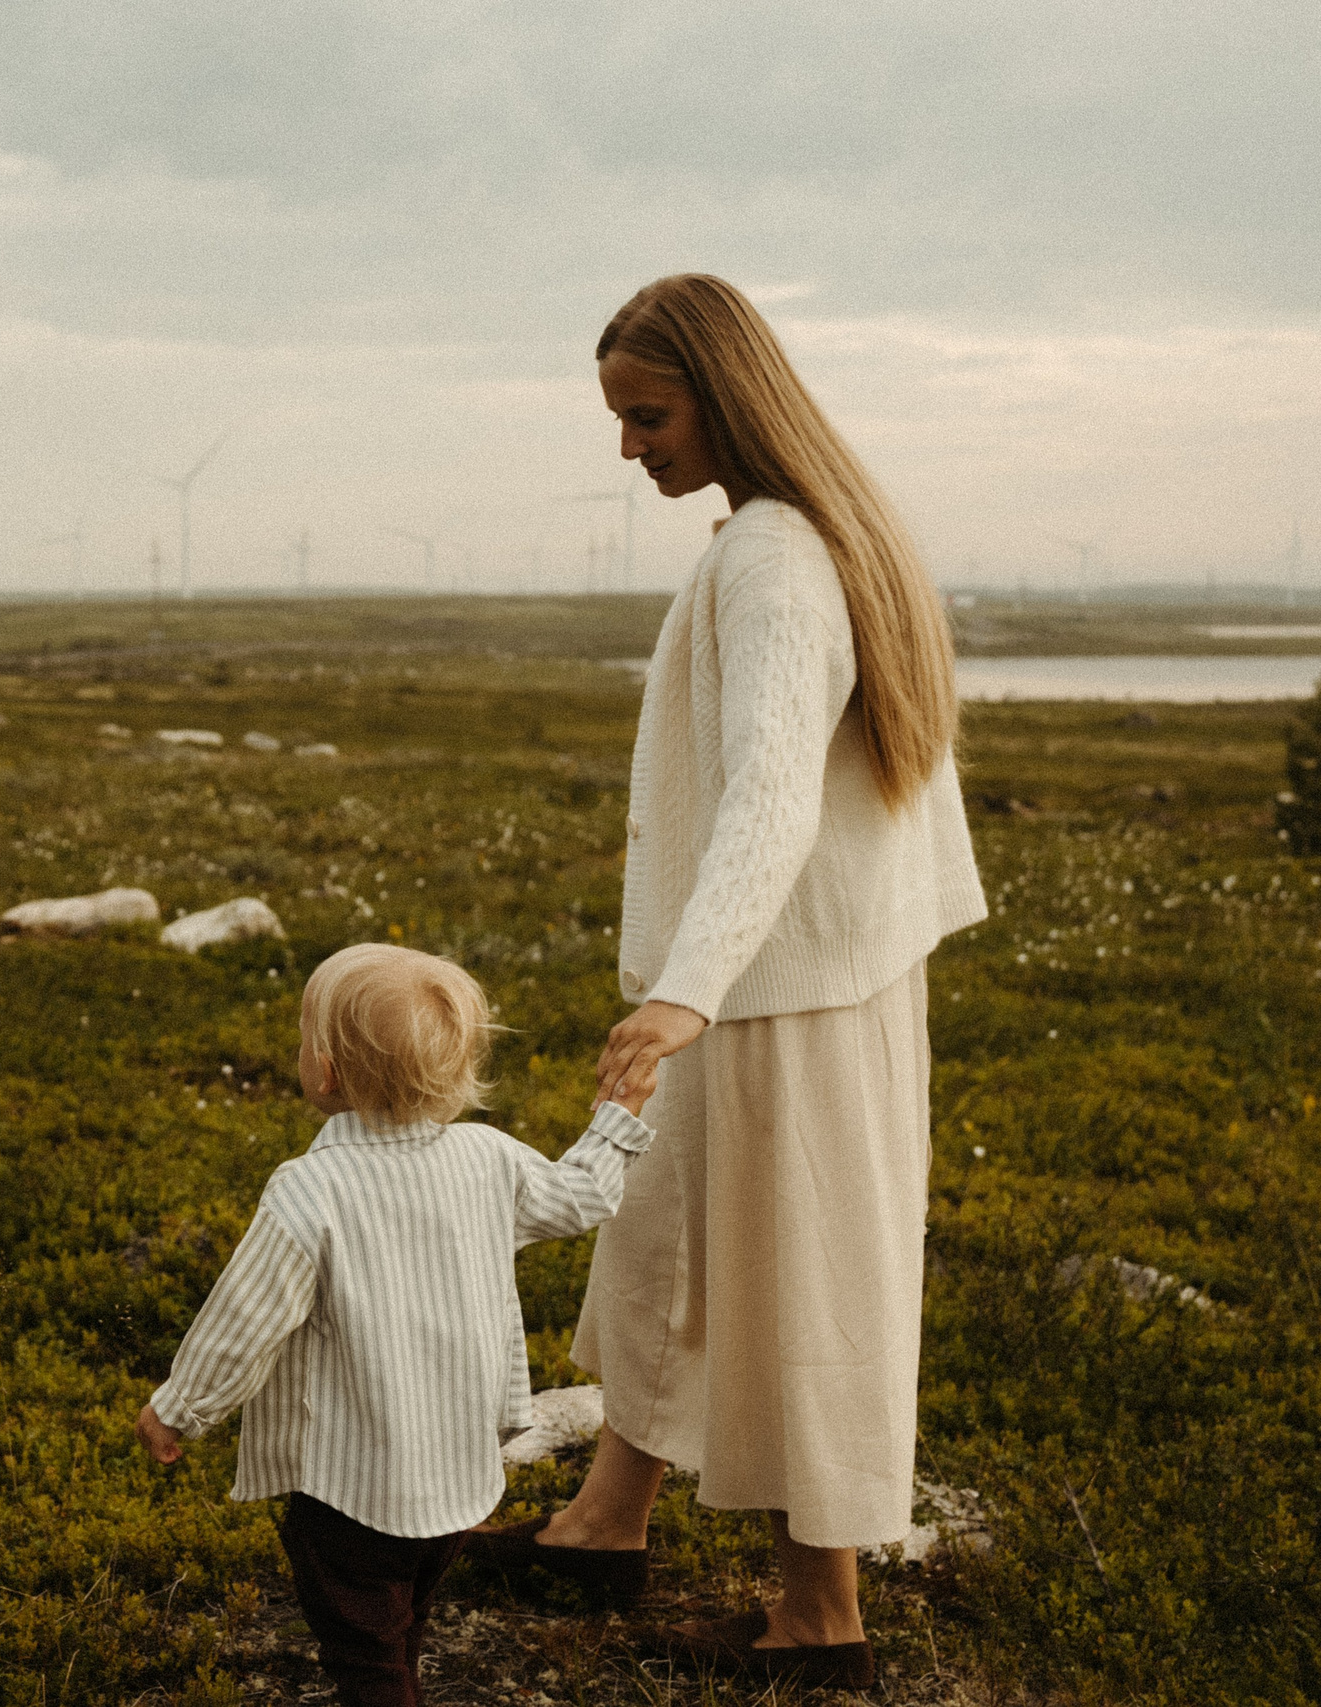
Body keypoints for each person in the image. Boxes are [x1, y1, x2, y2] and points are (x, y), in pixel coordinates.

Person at [460, 276, 987, 1690]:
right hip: (789, 973)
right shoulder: (823, 533)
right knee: (665, 1242)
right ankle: (604, 1518)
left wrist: (687, 985)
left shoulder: (772, 556)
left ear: (725, 393)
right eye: (620, 418)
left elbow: (768, 792)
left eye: (649, 414)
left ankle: (821, 1612)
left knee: (806, 1283)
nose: (628, 447)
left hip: (779, 990)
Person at [133, 944, 657, 1707]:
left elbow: (243, 1320)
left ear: (327, 1072)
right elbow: (580, 1196)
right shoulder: (489, 1158)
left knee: (361, 1644)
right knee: (403, 1613)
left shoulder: (308, 1192)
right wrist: (616, 1119)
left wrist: (180, 1407)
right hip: (455, 1472)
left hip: (347, 1490)